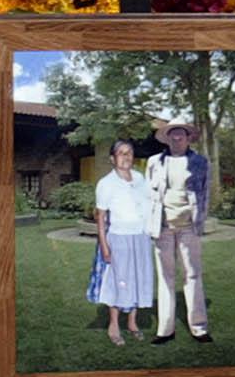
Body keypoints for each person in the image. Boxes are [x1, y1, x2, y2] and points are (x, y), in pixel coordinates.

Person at [144, 118, 212, 344]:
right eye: (172, 134)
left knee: (192, 275)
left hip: (188, 228)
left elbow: (205, 194)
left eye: (181, 133)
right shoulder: (154, 162)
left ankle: (199, 328)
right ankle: (165, 330)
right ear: (167, 138)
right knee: (165, 277)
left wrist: (199, 221)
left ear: (188, 138)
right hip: (162, 227)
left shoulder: (200, 162)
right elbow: (148, 196)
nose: (176, 137)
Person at [88, 138, 155, 345]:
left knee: (136, 279)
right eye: (121, 153)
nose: (126, 157)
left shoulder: (140, 178)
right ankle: (114, 325)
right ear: (112, 158)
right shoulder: (106, 184)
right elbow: (100, 217)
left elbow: (149, 205)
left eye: (129, 152)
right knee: (118, 282)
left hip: (141, 238)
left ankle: (132, 323)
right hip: (118, 238)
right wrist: (105, 246)